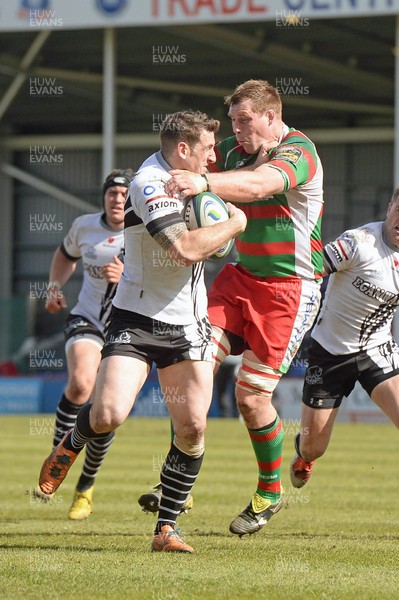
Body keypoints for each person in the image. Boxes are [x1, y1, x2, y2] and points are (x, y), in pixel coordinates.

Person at [35, 110, 247, 553]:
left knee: (191, 429)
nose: (215, 155)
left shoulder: (195, 180)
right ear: (183, 149)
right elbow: (186, 250)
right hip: (134, 319)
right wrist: (234, 225)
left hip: (188, 324)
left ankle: (166, 528)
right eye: (209, 147)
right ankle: (73, 443)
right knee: (108, 413)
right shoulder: (149, 183)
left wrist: (218, 203)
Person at [163, 79, 324, 537]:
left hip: (289, 289)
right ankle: (181, 479)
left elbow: (259, 186)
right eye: (232, 120)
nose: (236, 129)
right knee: (192, 364)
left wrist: (205, 182)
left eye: (244, 120)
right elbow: (188, 158)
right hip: (239, 279)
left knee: (251, 399)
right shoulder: (232, 151)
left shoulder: (299, 152)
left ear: (271, 116)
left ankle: (270, 491)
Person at [35, 169, 133, 519]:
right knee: (80, 383)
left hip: (126, 330)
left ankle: (85, 487)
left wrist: (127, 278)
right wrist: (54, 287)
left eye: (124, 194)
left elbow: (161, 282)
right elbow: (65, 255)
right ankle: (58, 457)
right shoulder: (85, 226)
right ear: (104, 196)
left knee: (105, 412)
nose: (117, 199)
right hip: (87, 319)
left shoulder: (143, 232)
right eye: (112, 193)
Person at [290, 188, 399, 489]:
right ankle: (304, 455)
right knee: (315, 447)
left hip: (377, 351)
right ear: (390, 207)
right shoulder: (359, 242)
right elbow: (312, 270)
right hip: (329, 353)